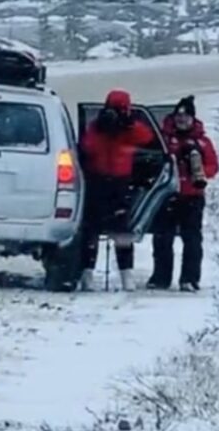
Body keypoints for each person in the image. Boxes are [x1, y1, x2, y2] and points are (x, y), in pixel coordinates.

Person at [78, 89, 156, 291]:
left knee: (120, 230)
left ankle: (125, 275)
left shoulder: (130, 129)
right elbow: (87, 147)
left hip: (119, 182)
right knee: (93, 230)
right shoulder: (96, 127)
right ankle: (88, 274)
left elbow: (147, 138)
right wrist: (103, 127)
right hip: (98, 180)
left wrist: (128, 125)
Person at [147, 96, 219, 292]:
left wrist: (198, 169)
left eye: (186, 116)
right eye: (178, 116)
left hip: (192, 195)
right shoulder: (163, 139)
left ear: (192, 118)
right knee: (162, 238)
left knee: (192, 238)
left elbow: (213, 167)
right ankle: (160, 278)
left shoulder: (202, 142)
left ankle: (189, 278)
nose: (181, 120)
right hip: (165, 195)